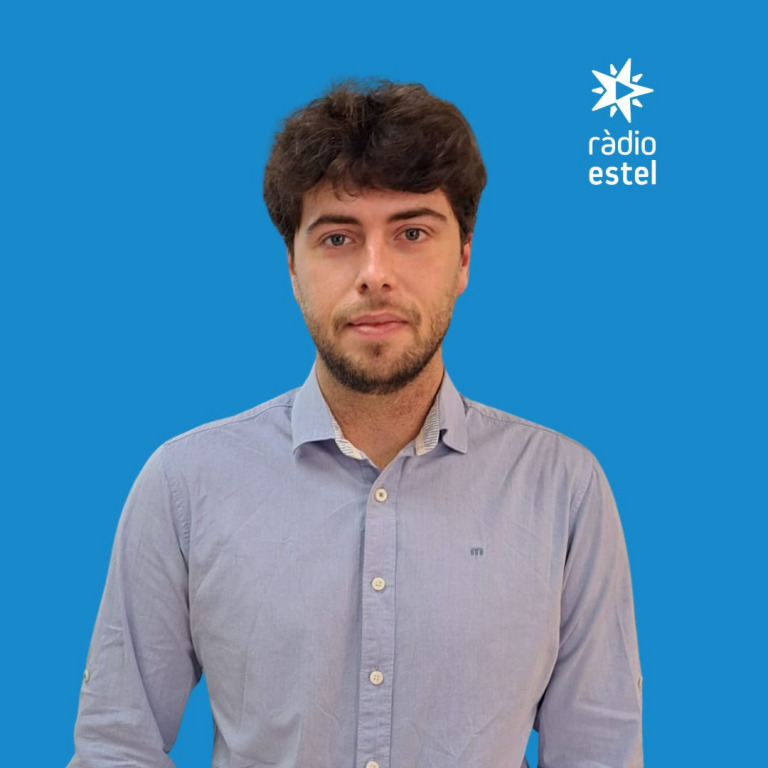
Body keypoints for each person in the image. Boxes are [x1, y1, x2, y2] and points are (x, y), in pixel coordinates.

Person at [68, 80, 643, 768]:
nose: (375, 274)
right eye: (338, 237)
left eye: (412, 233)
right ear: (292, 266)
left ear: (464, 258)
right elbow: (117, 746)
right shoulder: (184, 486)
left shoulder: (564, 489)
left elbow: (598, 753)